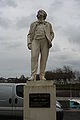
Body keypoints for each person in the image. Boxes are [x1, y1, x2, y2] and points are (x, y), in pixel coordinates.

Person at [27, 9, 54, 81]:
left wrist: (50, 40)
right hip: (35, 41)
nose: (40, 14)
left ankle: (42, 75)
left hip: (45, 41)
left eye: (42, 13)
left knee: (44, 59)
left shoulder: (48, 24)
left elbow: (52, 33)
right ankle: (33, 75)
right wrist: (29, 43)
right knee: (34, 57)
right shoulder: (33, 24)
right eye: (39, 13)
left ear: (44, 15)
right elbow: (29, 34)